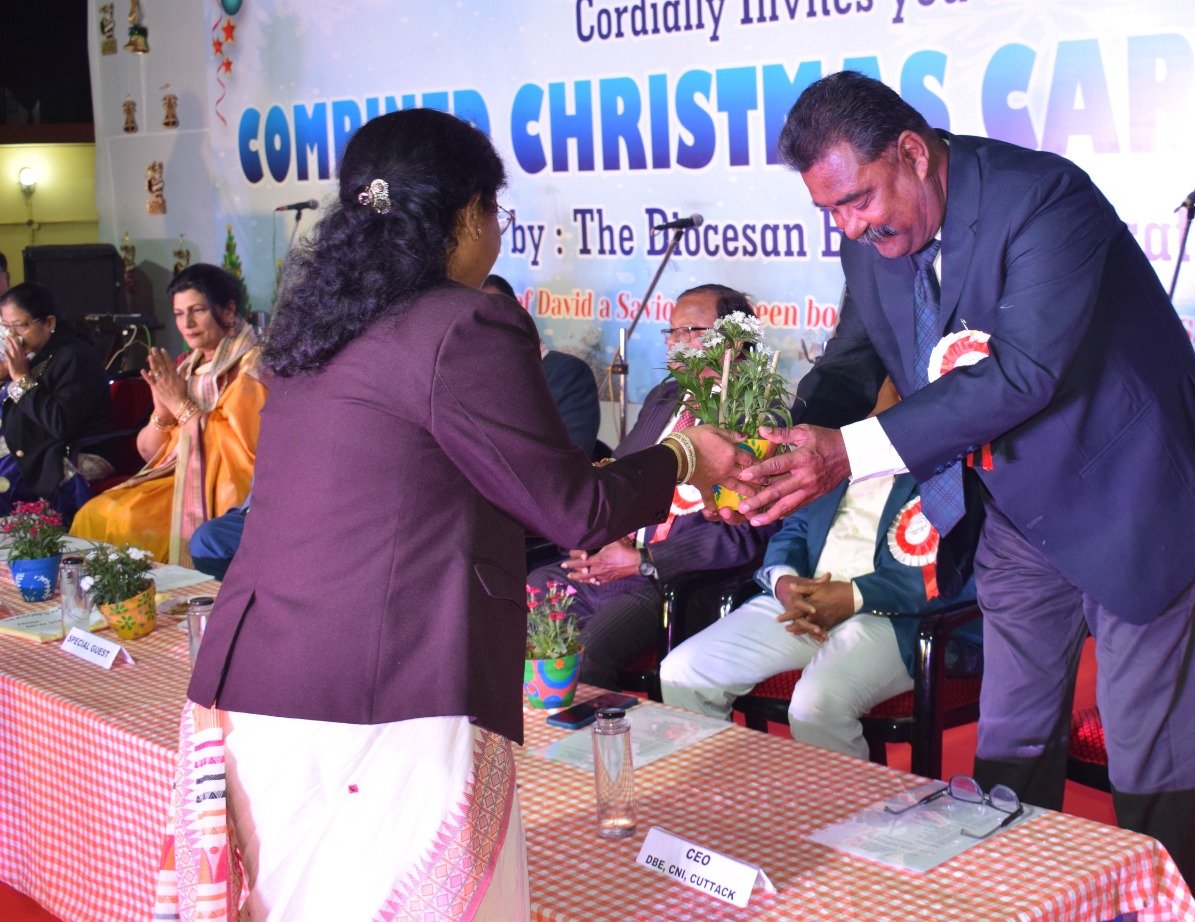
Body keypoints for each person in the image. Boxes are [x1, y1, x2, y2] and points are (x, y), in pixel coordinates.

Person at [174, 108, 744, 920]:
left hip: (259, 674)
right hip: (386, 685)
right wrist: (688, 455)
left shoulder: (313, 329)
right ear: (468, 214)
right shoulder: (464, 322)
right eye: (495, 212)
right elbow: (574, 506)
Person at [726, 71, 1195, 892]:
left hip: (1129, 495)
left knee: (1145, 747)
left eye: (857, 200)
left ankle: (1168, 903)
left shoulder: (1044, 198)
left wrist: (845, 453)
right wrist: (776, 447)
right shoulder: (868, 239)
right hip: (1011, 509)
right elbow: (853, 365)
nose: (850, 226)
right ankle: (1014, 899)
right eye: (831, 212)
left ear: (911, 152)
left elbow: (1023, 373)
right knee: (1012, 738)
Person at [526, 284, 777, 688]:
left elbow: (745, 536)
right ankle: (525, 730)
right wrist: (595, 537)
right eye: (671, 332)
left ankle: (590, 730)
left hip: (663, 580)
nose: (676, 343)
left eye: (690, 331)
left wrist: (644, 560)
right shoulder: (665, 398)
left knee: (583, 652)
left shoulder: (757, 415)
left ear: (734, 342)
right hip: (608, 561)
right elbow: (620, 475)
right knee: (522, 607)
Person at [661, 470, 980, 758]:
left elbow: (947, 570)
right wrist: (785, 581)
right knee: (684, 672)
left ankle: (851, 806)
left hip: (895, 614)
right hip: (803, 599)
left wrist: (854, 596)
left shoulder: (945, 458)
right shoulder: (834, 449)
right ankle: (720, 796)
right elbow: (796, 527)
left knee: (816, 704)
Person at [70, 264, 264, 564]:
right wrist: (162, 410)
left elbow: (246, 451)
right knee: (93, 513)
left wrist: (181, 406)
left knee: (126, 522)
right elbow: (149, 452)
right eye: (178, 313)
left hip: (222, 489)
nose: (187, 323)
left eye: (198, 310)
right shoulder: (186, 366)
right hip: (176, 477)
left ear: (228, 311)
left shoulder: (254, 365)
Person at [0, 282, 112, 520]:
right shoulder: (35, 355)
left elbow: (60, 424)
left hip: (62, 452)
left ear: (49, 323)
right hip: (30, 445)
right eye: (6, 327)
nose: (12, 337)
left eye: (20, 326)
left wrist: (21, 379)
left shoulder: (74, 357)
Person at [482, 273, 600, 454]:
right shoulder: (466, 380)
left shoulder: (567, 375)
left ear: (517, 315)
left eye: (489, 314)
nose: (480, 326)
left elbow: (569, 460)